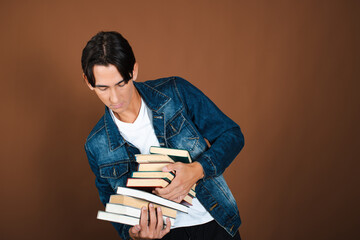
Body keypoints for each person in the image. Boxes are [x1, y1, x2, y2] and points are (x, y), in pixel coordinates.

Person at [81, 31, 244, 240]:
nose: (114, 98)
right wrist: (135, 235)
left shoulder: (175, 92)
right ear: (88, 81)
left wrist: (197, 170)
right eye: (102, 88)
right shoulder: (96, 145)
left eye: (121, 84)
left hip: (215, 224)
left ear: (134, 71)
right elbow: (114, 206)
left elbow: (232, 135)